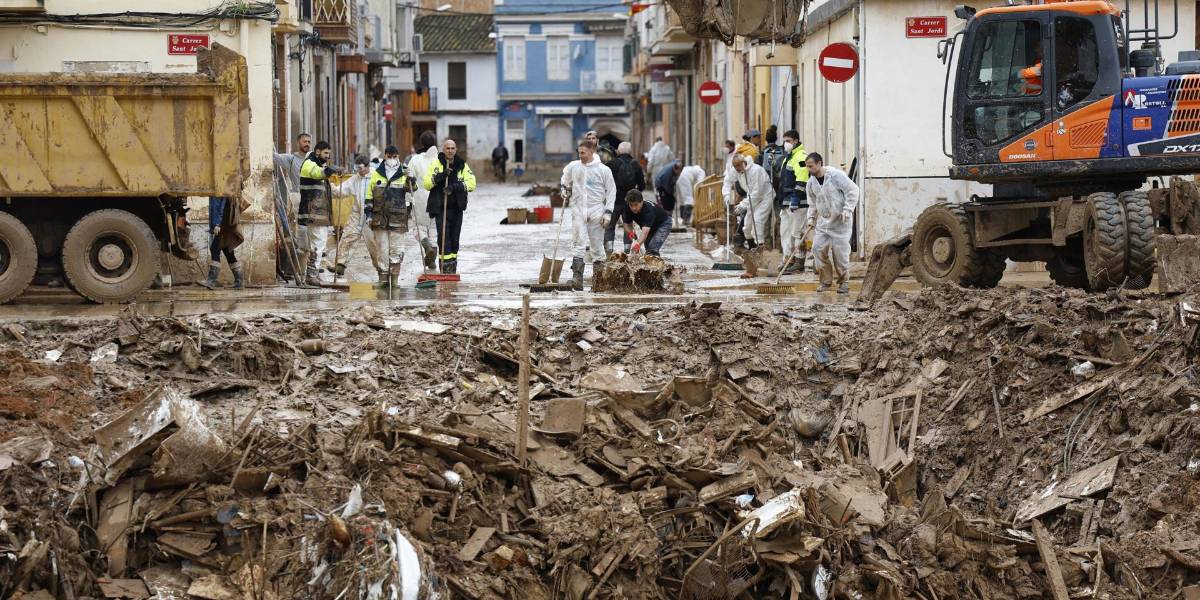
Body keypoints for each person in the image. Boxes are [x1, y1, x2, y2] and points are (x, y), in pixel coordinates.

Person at [560, 140, 616, 289]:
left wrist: (608, 213)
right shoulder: (574, 166)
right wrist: (564, 189)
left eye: (583, 152)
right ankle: (577, 280)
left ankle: (599, 281)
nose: (580, 155)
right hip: (578, 209)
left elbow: (611, 192)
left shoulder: (603, 170)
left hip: (596, 210)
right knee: (578, 244)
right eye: (579, 152)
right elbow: (565, 178)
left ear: (592, 152)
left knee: (597, 247)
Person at [805, 152, 860, 294]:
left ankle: (844, 282)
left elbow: (852, 190)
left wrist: (848, 209)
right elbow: (812, 203)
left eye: (811, 166)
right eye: (807, 167)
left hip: (840, 222)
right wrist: (811, 218)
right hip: (824, 223)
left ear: (819, 163)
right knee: (817, 249)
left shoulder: (836, 176)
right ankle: (825, 281)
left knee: (840, 254)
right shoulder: (811, 183)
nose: (809, 169)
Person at [423, 138, 476, 274]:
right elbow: (427, 184)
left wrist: (455, 187)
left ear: (456, 150)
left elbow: (472, 184)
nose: (450, 151)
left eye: (453, 148)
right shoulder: (436, 164)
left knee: (454, 238)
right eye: (448, 148)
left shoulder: (462, 165)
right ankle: (444, 266)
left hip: (457, 208)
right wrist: (440, 176)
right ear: (443, 149)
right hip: (441, 207)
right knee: (444, 237)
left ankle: (452, 266)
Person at [331, 154, 380, 283]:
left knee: (374, 245)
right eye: (357, 168)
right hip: (357, 213)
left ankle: (382, 269)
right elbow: (341, 191)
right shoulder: (355, 179)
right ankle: (340, 265)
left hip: (372, 215)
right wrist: (331, 187)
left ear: (368, 166)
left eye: (361, 168)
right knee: (348, 237)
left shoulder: (377, 176)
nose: (359, 171)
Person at [723, 153, 774, 278]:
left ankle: (759, 256)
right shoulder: (735, 170)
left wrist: (743, 205)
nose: (738, 170)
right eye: (735, 168)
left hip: (765, 197)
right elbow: (727, 181)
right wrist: (726, 195)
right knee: (747, 227)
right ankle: (753, 253)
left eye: (739, 167)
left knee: (757, 222)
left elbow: (757, 192)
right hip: (751, 199)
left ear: (743, 163)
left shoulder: (756, 170)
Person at [298, 140, 340, 286]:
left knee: (317, 243)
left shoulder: (317, 164)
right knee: (318, 243)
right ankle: (311, 275)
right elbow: (316, 173)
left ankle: (313, 273)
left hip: (318, 213)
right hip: (313, 213)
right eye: (325, 153)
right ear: (317, 152)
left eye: (329, 153)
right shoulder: (310, 164)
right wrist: (328, 171)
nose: (328, 156)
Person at [367, 146, 409, 287]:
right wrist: (368, 214)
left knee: (397, 249)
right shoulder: (377, 173)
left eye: (394, 156)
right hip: (380, 218)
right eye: (389, 156)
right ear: (385, 156)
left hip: (398, 218)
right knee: (382, 249)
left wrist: (411, 179)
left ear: (398, 156)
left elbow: (412, 190)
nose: (392, 159)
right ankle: (383, 280)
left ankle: (395, 280)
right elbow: (369, 196)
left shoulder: (404, 172)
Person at [407, 131, 440, 270]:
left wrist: (408, 202)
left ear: (421, 143)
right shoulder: (439, 159)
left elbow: (408, 181)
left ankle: (427, 247)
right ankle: (432, 256)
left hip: (419, 198)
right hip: (436, 198)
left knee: (418, 227)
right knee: (434, 228)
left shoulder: (414, 160)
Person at [778, 130, 810, 273]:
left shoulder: (800, 157)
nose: (786, 143)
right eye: (785, 140)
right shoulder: (788, 157)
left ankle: (799, 261)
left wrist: (796, 197)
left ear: (796, 141)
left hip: (798, 202)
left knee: (797, 232)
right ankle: (788, 259)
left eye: (789, 140)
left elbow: (802, 178)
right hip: (786, 200)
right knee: (785, 232)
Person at [607, 141, 645, 254]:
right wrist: (634, 196)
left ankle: (609, 248)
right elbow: (642, 185)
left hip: (614, 200)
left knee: (610, 225)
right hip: (630, 203)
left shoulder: (612, 164)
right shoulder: (636, 164)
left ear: (618, 151)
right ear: (630, 151)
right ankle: (628, 249)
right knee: (628, 225)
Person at [200, 196, 245, 289]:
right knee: (228, 252)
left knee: (214, 249)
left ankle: (211, 280)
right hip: (223, 226)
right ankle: (239, 281)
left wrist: (218, 224)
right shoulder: (218, 191)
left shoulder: (219, 191)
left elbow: (222, 207)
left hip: (221, 226)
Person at [622, 190, 672, 257]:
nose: (634, 208)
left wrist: (638, 244)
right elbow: (626, 224)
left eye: (636, 205)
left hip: (664, 224)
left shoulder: (648, 211)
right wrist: (630, 233)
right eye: (631, 205)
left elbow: (645, 232)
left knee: (652, 248)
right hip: (649, 226)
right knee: (648, 247)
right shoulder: (627, 208)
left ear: (642, 202)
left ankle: (655, 265)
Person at [674, 163, 706, 227]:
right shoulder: (702, 172)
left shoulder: (693, 168)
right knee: (689, 199)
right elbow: (699, 185)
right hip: (684, 177)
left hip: (678, 177)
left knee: (682, 200)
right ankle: (686, 220)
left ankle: (683, 218)